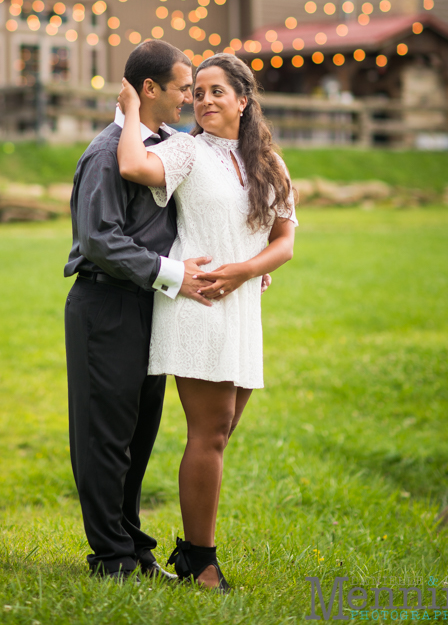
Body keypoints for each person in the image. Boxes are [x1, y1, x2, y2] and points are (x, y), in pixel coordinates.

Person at [116, 52, 297, 592]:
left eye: (218, 91)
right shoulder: (186, 150)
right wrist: (130, 111)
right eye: (198, 91)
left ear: (244, 100)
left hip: (242, 304)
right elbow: (131, 166)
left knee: (221, 432)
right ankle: (201, 561)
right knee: (210, 432)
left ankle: (192, 551)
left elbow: (284, 241)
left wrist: (247, 269)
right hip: (200, 304)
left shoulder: (270, 162)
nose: (205, 99)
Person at [63, 39, 216, 580]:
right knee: (105, 436)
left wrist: (247, 262)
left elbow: (204, 207)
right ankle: (111, 558)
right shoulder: (107, 153)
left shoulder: (169, 147)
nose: (190, 100)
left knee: (139, 433)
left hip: (152, 306)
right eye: (182, 89)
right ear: (149, 89)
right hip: (106, 305)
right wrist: (175, 275)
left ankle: (132, 546)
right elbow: (99, 240)